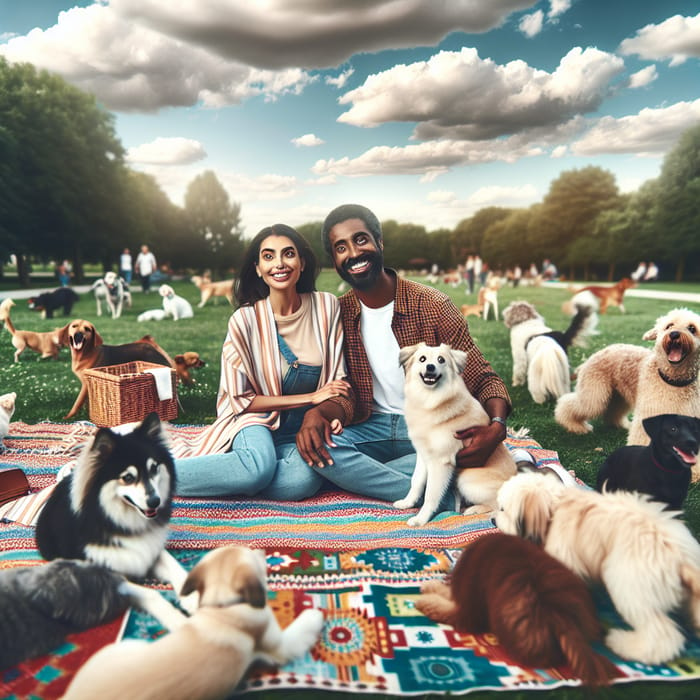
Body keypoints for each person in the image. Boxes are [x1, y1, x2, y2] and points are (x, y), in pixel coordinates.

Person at [291, 203, 512, 506]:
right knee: (321, 451)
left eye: (360, 239)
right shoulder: (339, 314)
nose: (353, 253)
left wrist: (497, 429)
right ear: (335, 260)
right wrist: (317, 413)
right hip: (372, 426)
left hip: (435, 426)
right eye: (341, 247)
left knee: (321, 470)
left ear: (379, 242)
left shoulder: (432, 305)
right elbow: (345, 393)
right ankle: (446, 491)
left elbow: (482, 377)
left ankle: (422, 482)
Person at [172, 224, 350, 500]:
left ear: (302, 262)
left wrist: (327, 411)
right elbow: (241, 401)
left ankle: (234, 475)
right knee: (258, 469)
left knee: (299, 483)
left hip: (301, 426)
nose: (279, 263)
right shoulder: (244, 321)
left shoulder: (327, 306)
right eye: (268, 256)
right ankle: (149, 475)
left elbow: (337, 382)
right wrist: (312, 397)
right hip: (253, 419)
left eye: (288, 254)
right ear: (257, 268)